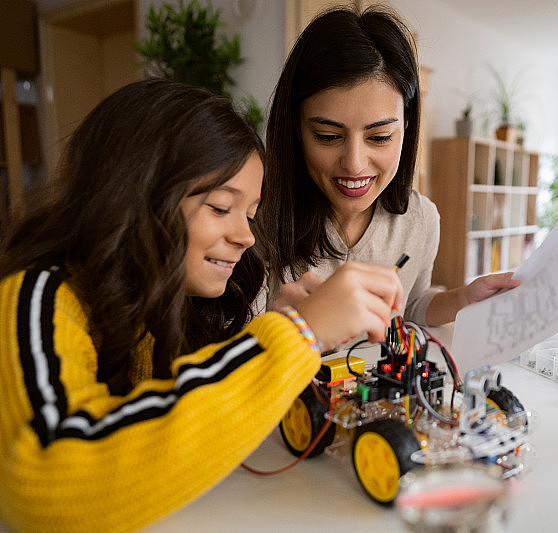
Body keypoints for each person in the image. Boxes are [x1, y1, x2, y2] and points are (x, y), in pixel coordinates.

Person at [0, 79, 403, 533]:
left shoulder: (171, 306)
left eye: (250, 214)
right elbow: (49, 477)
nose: (246, 236)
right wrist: (295, 336)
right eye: (219, 207)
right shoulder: (37, 294)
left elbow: (175, 419)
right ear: (135, 192)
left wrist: (271, 333)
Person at [263, 6, 520, 327]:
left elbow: (410, 305)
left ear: (407, 125)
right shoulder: (254, 220)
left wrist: (463, 298)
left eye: (380, 136)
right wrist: (271, 325)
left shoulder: (420, 219)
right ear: (296, 129)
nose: (354, 164)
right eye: (328, 136)